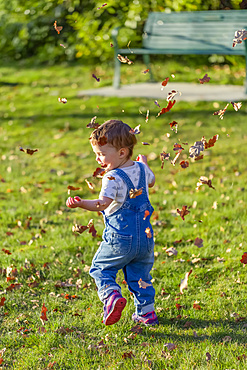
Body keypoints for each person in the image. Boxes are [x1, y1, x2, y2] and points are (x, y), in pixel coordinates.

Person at [66, 119, 158, 326]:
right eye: (96, 154)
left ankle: (112, 296)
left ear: (122, 152)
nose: (98, 159)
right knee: (140, 276)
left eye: (102, 154)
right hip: (145, 238)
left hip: (120, 238)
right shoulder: (142, 170)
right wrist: (145, 164)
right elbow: (151, 180)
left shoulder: (112, 178)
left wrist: (81, 203)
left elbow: (101, 204)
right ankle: (147, 314)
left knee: (100, 269)